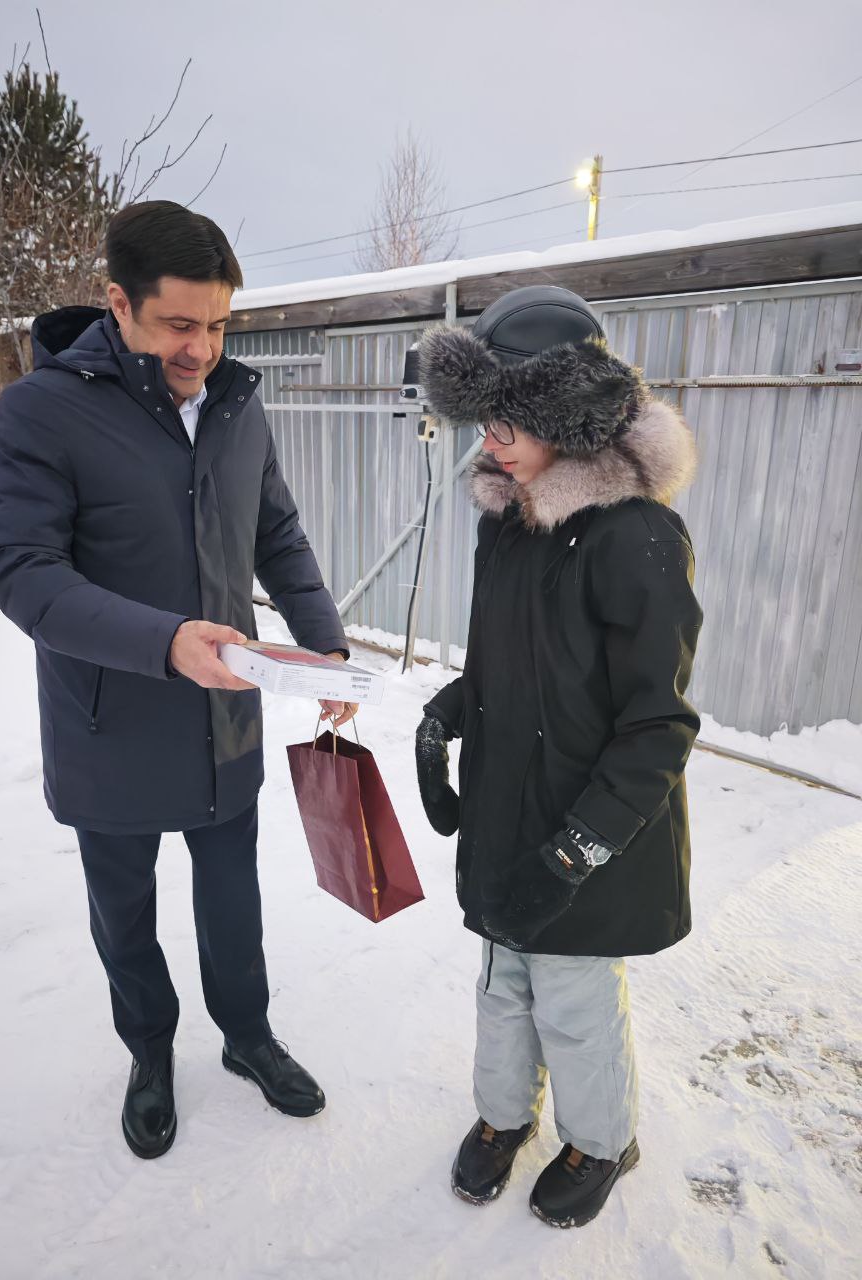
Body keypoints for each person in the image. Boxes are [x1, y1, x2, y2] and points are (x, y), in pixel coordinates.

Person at [0, 200, 356, 1159]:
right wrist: (166, 641)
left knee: (233, 896)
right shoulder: (44, 410)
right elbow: (21, 569)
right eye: (180, 325)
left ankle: (247, 1035)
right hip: (107, 721)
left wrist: (324, 646)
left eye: (219, 324)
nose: (203, 349)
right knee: (125, 912)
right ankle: (149, 1052)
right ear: (119, 304)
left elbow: (276, 532)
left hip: (225, 719)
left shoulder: (234, 402)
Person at [414, 286, 703, 1226]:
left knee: (574, 1002)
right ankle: (504, 1116)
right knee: (503, 986)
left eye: (507, 419)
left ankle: (603, 1138)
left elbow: (657, 724)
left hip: (589, 830)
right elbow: (506, 663)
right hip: (507, 811)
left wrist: (578, 851)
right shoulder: (506, 520)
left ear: (564, 411)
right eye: (482, 420)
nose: (490, 441)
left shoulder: (636, 535)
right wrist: (446, 717)